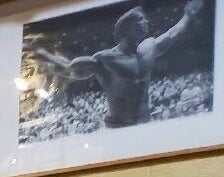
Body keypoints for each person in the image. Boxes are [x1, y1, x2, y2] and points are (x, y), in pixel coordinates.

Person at [32, 1, 203, 129]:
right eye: (141, 21)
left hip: (145, 121)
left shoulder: (148, 48)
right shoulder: (106, 58)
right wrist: (45, 55)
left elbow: (173, 34)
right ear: (127, 28)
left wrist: (189, 13)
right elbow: (70, 70)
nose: (146, 23)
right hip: (117, 126)